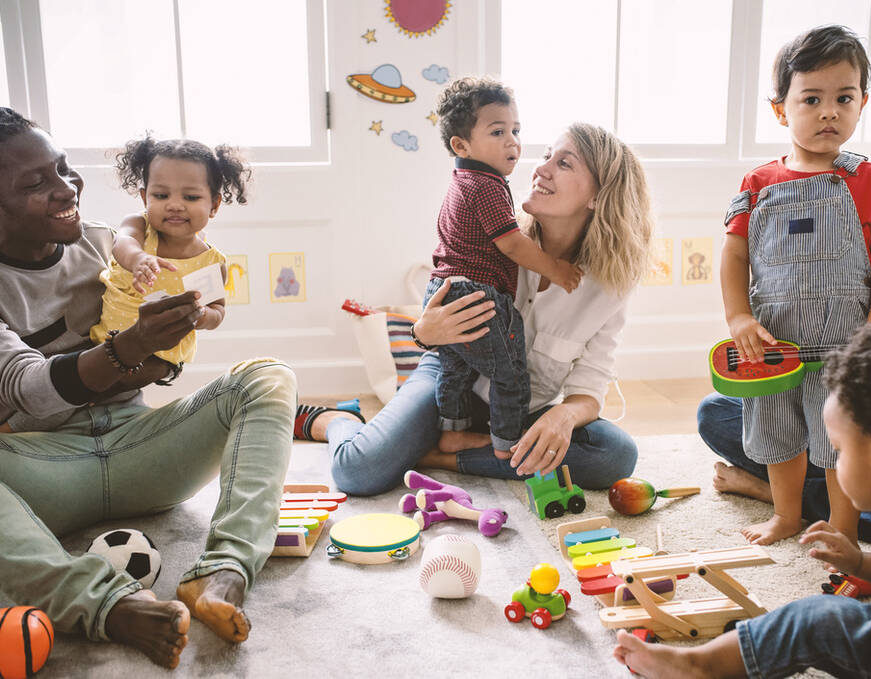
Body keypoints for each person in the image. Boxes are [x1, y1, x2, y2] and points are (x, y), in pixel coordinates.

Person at [0, 108, 296, 668]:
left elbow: (168, 356)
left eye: (63, 169)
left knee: (267, 376)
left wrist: (172, 344)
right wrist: (133, 348)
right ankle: (108, 606)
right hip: (42, 464)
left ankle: (224, 572)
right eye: (37, 183)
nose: (68, 189)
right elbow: (32, 390)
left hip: (140, 444)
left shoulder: (102, 244)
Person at [295, 121, 653, 495]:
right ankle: (335, 419)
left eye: (564, 164)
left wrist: (565, 415)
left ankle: (439, 457)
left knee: (615, 455)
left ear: (598, 196)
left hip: (524, 410)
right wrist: (423, 333)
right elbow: (432, 315)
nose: (541, 168)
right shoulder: (496, 235)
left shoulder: (610, 285)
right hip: (451, 382)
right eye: (547, 155)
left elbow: (590, 386)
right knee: (357, 472)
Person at [614, 321, 871, 679]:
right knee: (815, 617)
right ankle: (698, 665)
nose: (832, 462)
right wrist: (860, 562)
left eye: (839, 452)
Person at [702, 60, 871, 545]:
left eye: (844, 99)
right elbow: (733, 254)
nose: (829, 112)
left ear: (861, 105)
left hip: (843, 352)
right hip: (773, 351)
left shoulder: (869, 179)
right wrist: (738, 316)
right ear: (780, 111)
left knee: (840, 445)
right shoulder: (757, 184)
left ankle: (843, 527)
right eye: (811, 99)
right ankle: (786, 515)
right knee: (773, 434)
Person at [424, 76, 581, 461]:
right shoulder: (486, 184)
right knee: (510, 373)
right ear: (461, 145)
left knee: (456, 370)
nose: (512, 141)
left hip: (443, 288)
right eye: (497, 131)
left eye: (515, 129)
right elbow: (510, 243)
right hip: (473, 293)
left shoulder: (462, 180)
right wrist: (556, 269)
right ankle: (507, 444)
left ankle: (452, 432)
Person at [90, 136, 248, 370]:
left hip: (163, 358)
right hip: (111, 344)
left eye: (191, 197)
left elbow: (218, 309)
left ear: (214, 205)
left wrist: (202, 315)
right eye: (161, 196)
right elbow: (122, 242)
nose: (175, 205)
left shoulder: (210, 263)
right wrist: (138, 259)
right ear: (145, 198)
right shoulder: (140, 228)